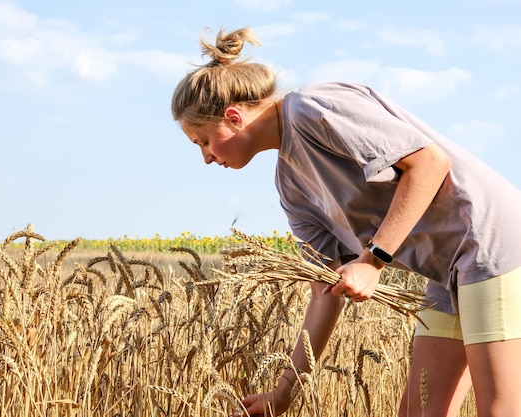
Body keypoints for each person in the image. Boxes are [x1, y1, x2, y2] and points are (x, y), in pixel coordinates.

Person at [171, 27, 521, 417]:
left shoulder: (312, 106)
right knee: (420, 411)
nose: (204, 156)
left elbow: (429, 162)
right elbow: (324, 288)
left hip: (490, 241)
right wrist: (285, 392)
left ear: (233, 118)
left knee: (498, 407)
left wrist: (372, 261)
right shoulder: (291, 187)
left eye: (202, 140)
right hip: (447, 270)